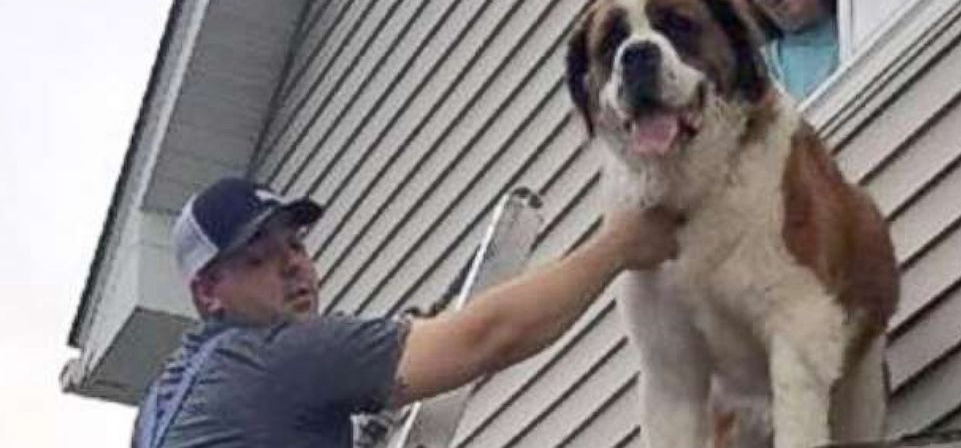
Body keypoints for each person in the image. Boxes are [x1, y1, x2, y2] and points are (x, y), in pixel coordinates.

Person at [131, 177, 678, 447]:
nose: (293, 268)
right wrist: (621, 245)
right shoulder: (278, 357)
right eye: (257, 258)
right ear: (208, 293)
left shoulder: (158, 406)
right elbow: (490, 336)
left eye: (294, 246)